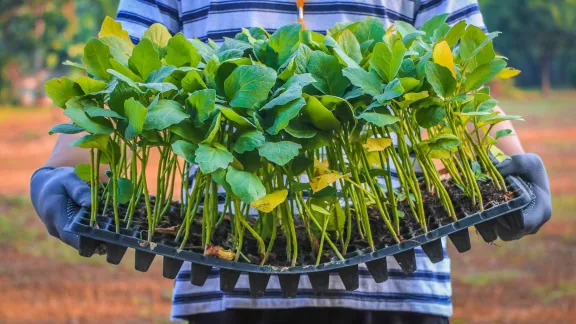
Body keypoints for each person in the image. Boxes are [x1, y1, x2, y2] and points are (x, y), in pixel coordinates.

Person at [30, 1, 552, 323]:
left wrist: (514, 169)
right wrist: (56, 178)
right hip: (224, 286)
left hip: (397, 285)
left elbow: (462, 91)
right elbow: (113, 87)